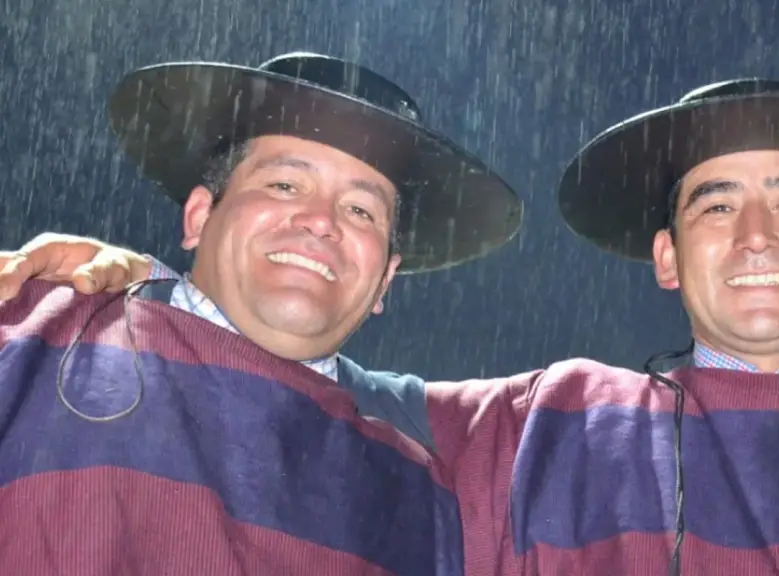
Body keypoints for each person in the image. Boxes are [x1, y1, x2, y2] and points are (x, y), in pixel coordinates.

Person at [7, 79, 779, 575]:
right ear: (664, 255)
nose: (755, 234)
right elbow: (274, 368)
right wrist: (141, 291)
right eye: (713, 204)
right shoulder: (547, 428)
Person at [0, 52, 524, 575]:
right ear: (200, 216)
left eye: (361, 211)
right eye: (284, 185)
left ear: (385, 278)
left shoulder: (450, 463)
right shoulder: (32, 334)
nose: (321, 221)